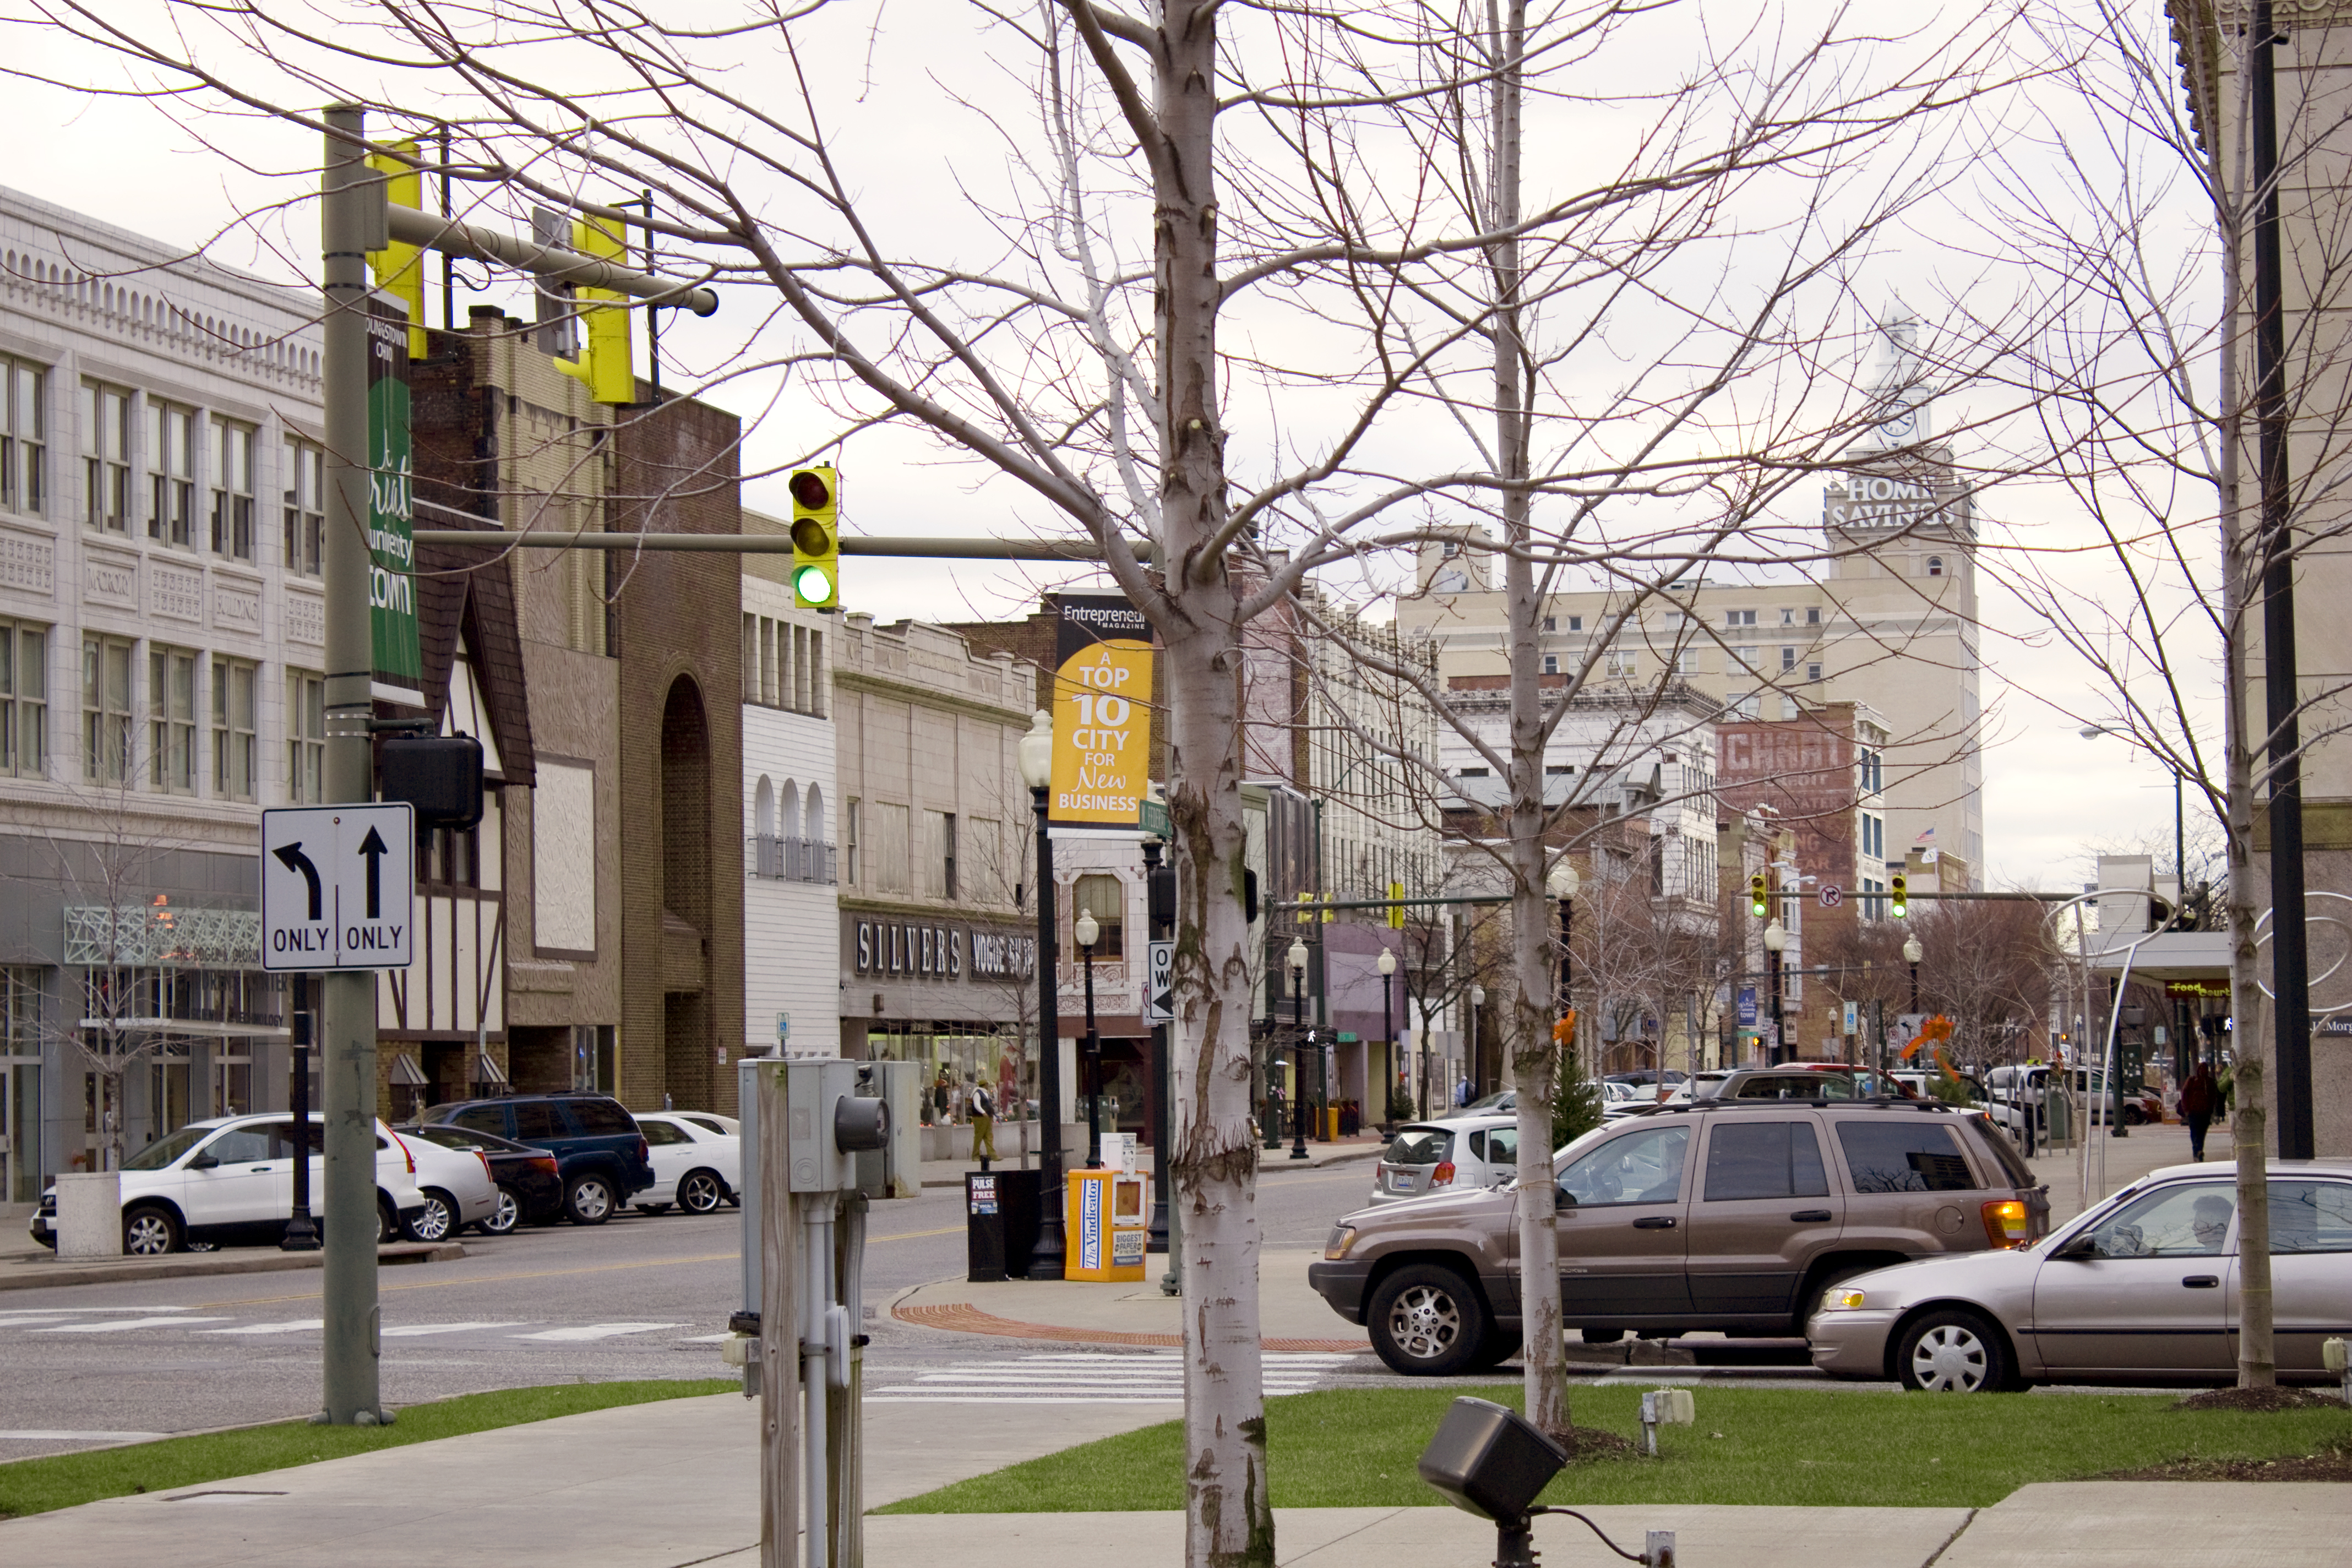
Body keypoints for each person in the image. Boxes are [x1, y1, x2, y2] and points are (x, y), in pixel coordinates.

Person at [2179, 1059, 2217, 1161]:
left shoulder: (2210, 1082)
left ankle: (2199, 1151)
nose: (2202, 1071)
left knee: (2202, 1133)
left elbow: (2213, 1096)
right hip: (2193, 1112)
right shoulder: (2192, 1080)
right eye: (2201, 1069)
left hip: (2205, 1113)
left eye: (2204, 1069)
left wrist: (2211, 1109)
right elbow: (2185, 1095)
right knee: (2195, 1132)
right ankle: (2197, 1151)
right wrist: (2187, 1110)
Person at [968, 1074, 997, 1170]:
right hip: (980, 1118)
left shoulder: (985, 1094)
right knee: (979, 1136)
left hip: (987, 1117)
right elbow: (976, 1105)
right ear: (984, 1085)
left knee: (989, 1136)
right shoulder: (978, 1093)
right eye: (987, 1085)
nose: (988, 1086)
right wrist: (983, 1112)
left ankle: (992, 1154)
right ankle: (975, 1155)